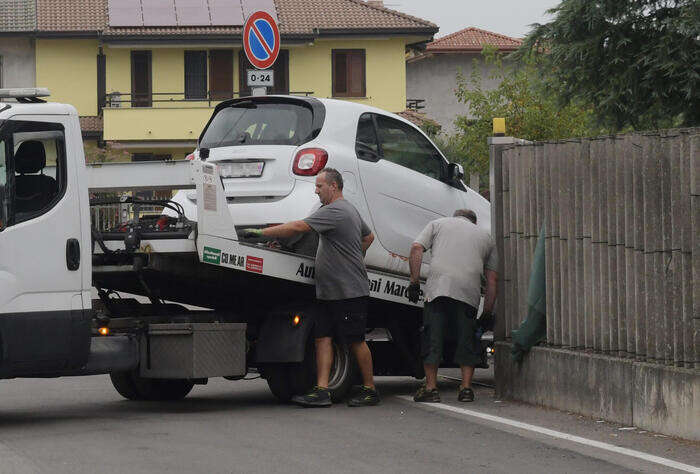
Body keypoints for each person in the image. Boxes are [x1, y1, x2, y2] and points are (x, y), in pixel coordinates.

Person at [241, 168, 379, 407]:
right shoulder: (349, 210)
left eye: (319, 186)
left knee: (355, 340)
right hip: (328, 291)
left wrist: (260, 233)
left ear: (333, 187)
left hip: (349, 290)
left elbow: (297, 228)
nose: (316, 191)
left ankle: (370, 389)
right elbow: (368, 238)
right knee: (322, 338)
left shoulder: (336, 211)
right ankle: (322, 390)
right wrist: (354, 253)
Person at [407, 209, 498, 403]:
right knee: (467, 340)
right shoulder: (486, 237)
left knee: (433, 337)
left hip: (438, 289)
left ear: (455, 216)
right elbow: (492, 279)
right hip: (468, 292)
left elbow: (416, 248)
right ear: (474, 222)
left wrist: (414, 283)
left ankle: (431, 388)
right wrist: (488, 311)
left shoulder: (438, 224)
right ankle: (466, 389)